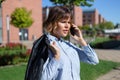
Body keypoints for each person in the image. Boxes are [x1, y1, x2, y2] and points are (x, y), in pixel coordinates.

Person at [41, 6, 99, 80]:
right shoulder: (45, 45)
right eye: (63, 22)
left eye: (69, 22)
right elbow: (42, 78)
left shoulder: (68, 45)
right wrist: (56, 57)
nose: (67, 26)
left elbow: (94, 60)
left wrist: (81, 41)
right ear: (53, 23)